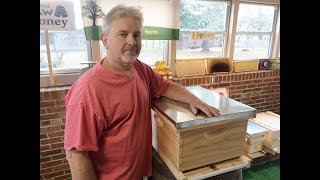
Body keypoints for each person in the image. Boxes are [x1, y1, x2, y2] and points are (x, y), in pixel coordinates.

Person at [64, 4, 220, 180]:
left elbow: (166, 86)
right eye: (123, 34)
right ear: (105, 40)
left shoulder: (139, 69)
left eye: (136, 35)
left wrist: (194, 99)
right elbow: (76, 156)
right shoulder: (87, 91)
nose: (132, 41)